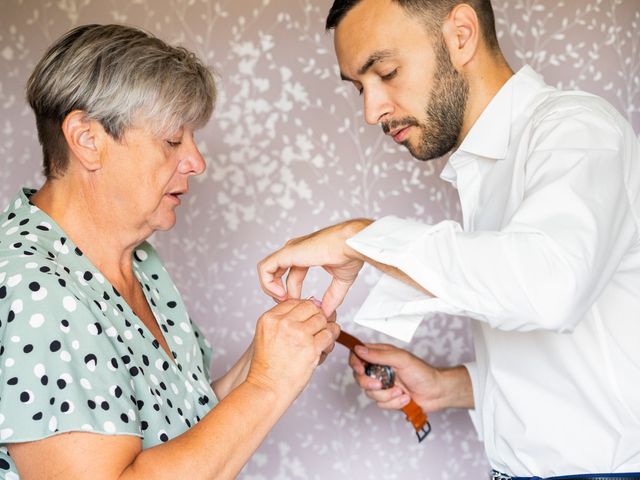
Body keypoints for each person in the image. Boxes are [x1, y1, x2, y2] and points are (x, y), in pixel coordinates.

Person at [257, 0, 640, 478]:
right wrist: (447, 386)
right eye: (359, 88)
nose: (371, 111)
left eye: (387, 72)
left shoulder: (578, 130)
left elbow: (551, 287)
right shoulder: (484, 167)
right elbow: (584, 364)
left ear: (460, 34)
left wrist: (361, 238)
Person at [0, 24, 339, 480]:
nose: (197, 161)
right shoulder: (35, 288)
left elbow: (183, 426)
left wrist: (267, 360)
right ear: (87, 139)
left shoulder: (139, 261)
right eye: (172, 140)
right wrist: (267, 385)